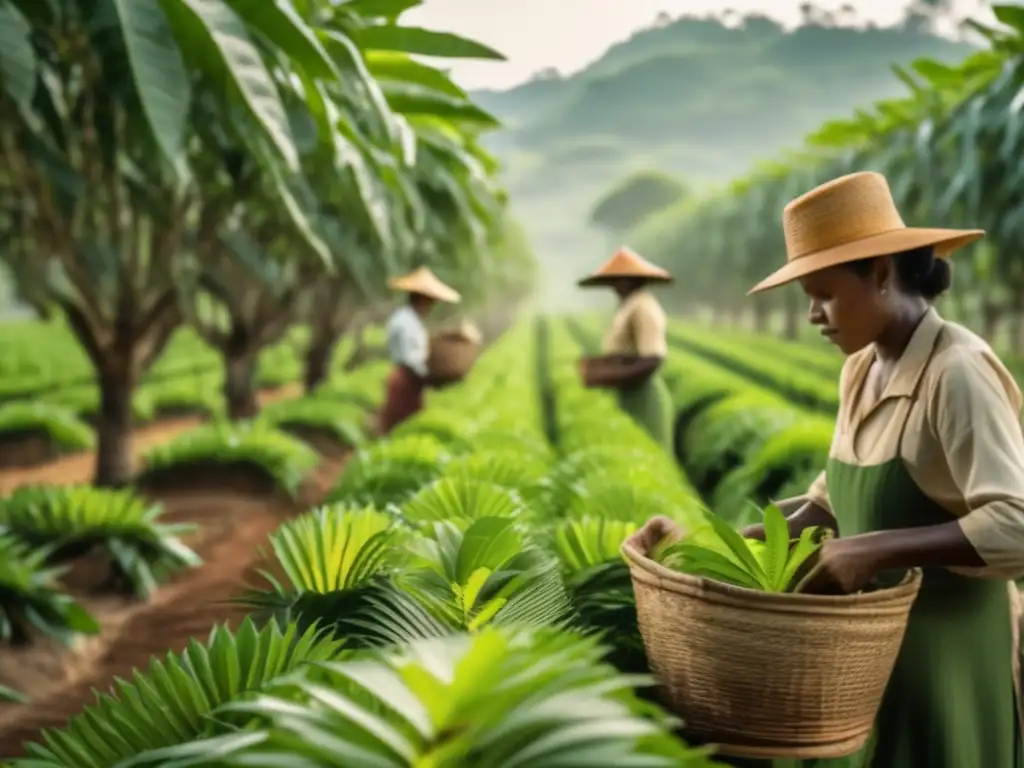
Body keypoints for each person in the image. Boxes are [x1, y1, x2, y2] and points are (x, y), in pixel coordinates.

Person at [741, 171, 1024, 767]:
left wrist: (874, 550)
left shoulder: (958, 373)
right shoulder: (860, 369)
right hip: (866, 661)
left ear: (881, 273)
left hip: (943, 658)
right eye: (807, 298)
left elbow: (1016, 525)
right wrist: (712, 548)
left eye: (824, 293)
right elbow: (829, 503)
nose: (814, 314)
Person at [578, 247, 674, 450]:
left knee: (647, 457)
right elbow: (624, 352)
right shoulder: (629, 305)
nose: (614, 285)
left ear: (633, 280)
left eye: (619, 279)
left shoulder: (644, 306)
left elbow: (653, 359)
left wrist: (606, 376)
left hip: (643, 396)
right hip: (630, 394)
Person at [379, 267, 461, 435]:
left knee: (407, 428)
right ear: (421, 300)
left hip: (411, 381)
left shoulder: (412, 320)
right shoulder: (405, 321)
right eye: (430, 301)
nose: (431, 306)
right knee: (399, 427)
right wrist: (430, 376)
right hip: (406, 380)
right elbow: (411, 359)